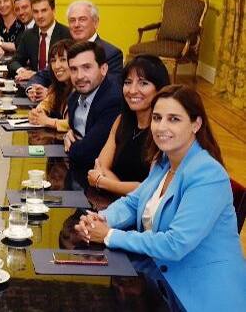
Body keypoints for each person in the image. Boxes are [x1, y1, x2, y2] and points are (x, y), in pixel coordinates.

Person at [75, 85, 246, 311]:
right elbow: (134, 202)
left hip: (202, 296)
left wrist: (109, 235)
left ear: (196, 124)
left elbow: (175, 244)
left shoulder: (208, 175)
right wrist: (101, 219)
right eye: (157, 118)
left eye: (174, 119)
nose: (161, 126)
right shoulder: (163, 161)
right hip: (160, 281)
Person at [87, 55, 170, 195]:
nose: (132, 90)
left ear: (160, 88)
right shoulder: (121, 120)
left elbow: (151, 189)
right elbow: (101, 165)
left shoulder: (163, 130)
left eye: (143, 83)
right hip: (115, 202)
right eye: (128, 82)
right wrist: (121, 188)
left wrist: (102, 182)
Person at [26, 0, 123, 102]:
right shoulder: (65, 48)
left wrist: (54, 96)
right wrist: (33, 90)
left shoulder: (111, 53)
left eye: (82, 19)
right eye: (72, 20)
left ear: (95, 22)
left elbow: (109, 92)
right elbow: (42, 75)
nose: (76, 25)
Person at [64, 41, 122, 171]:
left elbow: (86, 153)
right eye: (74, 69)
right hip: (78, 171)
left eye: (86, 67)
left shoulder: (113, 101)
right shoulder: (74, 98)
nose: (79, 76)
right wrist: (68, 136)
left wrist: (71, 144)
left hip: (104, 175)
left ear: (103, 69)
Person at [9, 0, 71, 80]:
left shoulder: (66, 34)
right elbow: (14, 61)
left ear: (53, 10)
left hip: (57, 83)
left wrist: (36, 74)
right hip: (34, 83)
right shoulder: (28, 35)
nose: (40, 16)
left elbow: (68, 67)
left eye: (44, 11)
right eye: (36, 12)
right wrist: (22, 71)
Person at [27, 39, 74, 131]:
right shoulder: (58, 87)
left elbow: (78, 124)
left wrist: (49, 121)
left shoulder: (82, 89)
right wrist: (35, 114)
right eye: (53, 60)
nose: (57, 66)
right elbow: (44, 106)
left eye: (63, 60)